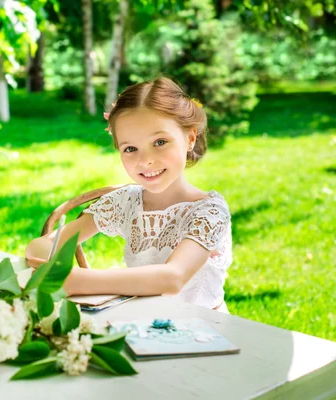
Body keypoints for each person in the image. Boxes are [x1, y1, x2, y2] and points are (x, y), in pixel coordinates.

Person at [25, 77, 232, 313]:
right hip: (142, 324)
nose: (145, 160)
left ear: (190, 138)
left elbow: (172, 278)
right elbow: (44, 245)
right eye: (130, 149)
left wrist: (79, 281)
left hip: (206, 333)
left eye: (160, 142)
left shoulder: (209, 212)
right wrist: (45, 256)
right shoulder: (125, 202)